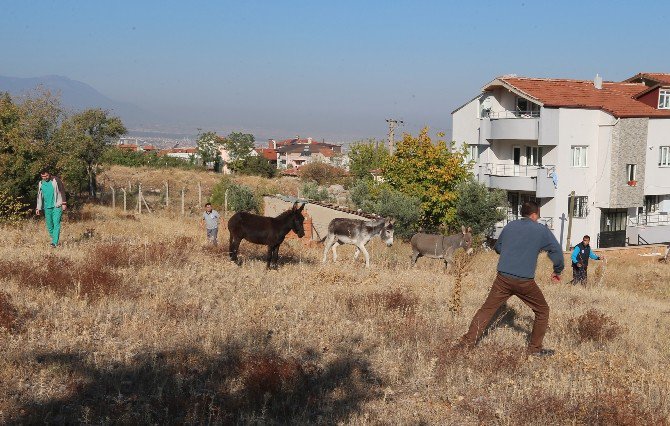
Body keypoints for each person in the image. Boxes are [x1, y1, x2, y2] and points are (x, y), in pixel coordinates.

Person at [458, 201, 564, 357]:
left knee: (486, 310)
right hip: (525, 281)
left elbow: (498, 248)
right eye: (538, 215)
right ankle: (535, 349)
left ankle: (466, 344)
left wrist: (512, 250)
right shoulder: (541, 230)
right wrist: (557, 270)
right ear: (534, 214)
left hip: (503, 278)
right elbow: (556, 252)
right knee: (542, 310)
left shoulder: (510, 226)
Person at [35, 169, 67, 247]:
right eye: (43, 176)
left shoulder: (55, 180)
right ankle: (54, 240)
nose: (45, 178)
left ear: (49, 174)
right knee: (49, 225)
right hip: (47, 207)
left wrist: (64, 203)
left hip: (57, 205)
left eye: (46, 176)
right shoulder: (40, 183)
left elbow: (62, 190)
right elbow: (39, 196)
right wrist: (38, 208)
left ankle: (54, 243)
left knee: (56, 223)